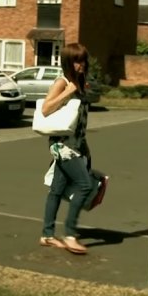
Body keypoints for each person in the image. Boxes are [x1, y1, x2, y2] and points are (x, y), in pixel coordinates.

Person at [39, 43, 95, 255]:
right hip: (62, 146)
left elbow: (80, 121)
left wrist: (85, 147)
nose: (81, 65)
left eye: (83, 60)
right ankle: (70, 234)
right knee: (85, 185)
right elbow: (45, 109)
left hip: (76, 145)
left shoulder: (80, 83)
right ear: (68, 62)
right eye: (76, 60)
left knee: (56, 190)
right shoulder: (62, 82)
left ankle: (47, 235)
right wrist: (68, 92)